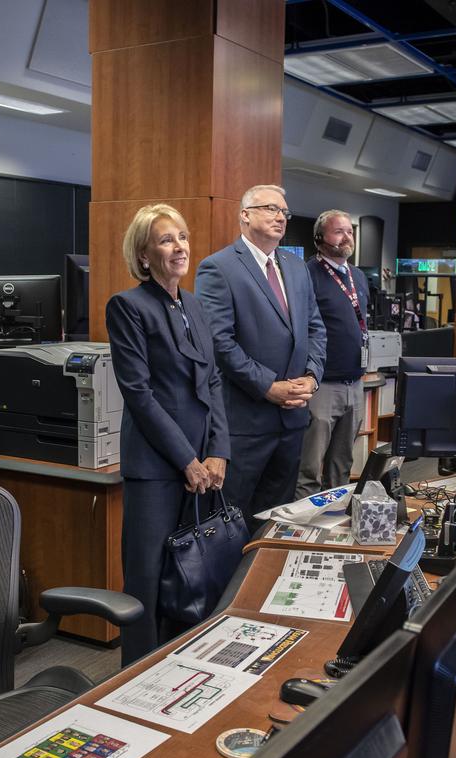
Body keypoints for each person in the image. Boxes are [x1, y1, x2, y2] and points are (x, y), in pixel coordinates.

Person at [107, 204, 229, 665]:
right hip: (158, 468)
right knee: (147, 578)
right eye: (165, 239)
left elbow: (213, 382)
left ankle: (182, 663)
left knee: (193, 573)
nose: (179, 247)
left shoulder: (194, 304)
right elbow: (139, 394)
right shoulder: (128, 307)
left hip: (204, 464)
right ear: (143, 254)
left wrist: (218, 452)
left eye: (182, 236)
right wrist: (187, 460)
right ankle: (136, 675)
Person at [195, 184, 326, 520]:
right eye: (271, 208)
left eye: (284, 212)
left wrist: (312, 377)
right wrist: (269, 386)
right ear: (245, 215)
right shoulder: (219, 267)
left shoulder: (297, 268)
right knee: (231, 519)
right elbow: (220, 343)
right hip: (246, 423)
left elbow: (315, 328)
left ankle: (263, 573)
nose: (280, 217)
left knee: (276, 517)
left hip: (292, 420)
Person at [296, 209, 370, 498]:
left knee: (342, 464)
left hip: (355, 382)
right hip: (323, 385)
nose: (346, 237)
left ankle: (334, 523)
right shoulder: (307, 274)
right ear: (319, 238)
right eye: (338, 231)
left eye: (349, 231)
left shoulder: (358, 276)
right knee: (310, 467)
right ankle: (304, 531)